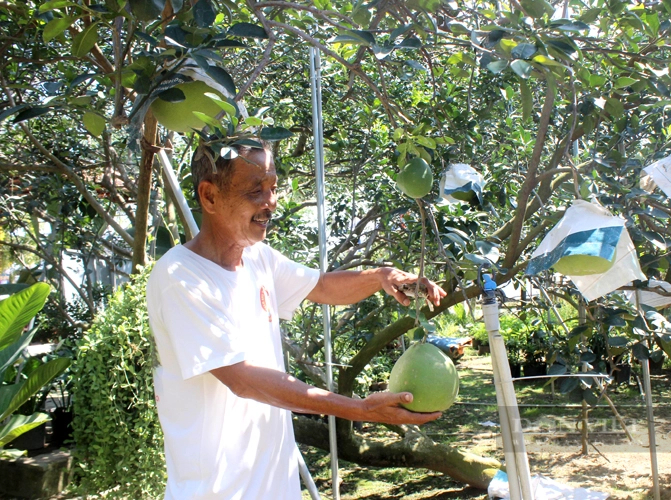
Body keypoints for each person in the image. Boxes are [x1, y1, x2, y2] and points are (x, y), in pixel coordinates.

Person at [146, 139, 446, 500]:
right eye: (256, 190)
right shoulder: (181, 277)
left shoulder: (257, 257)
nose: (270, 202)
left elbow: (321, 286)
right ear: (209, 196)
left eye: (272, 186)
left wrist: (381, 276)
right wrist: (357, 409)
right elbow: (243, 380)